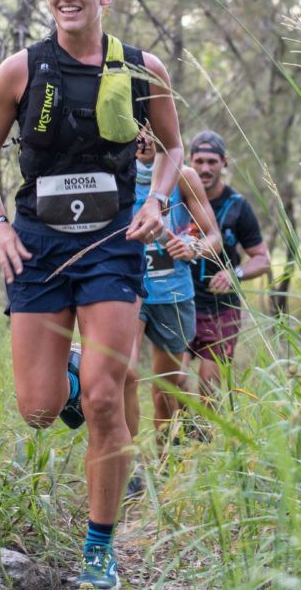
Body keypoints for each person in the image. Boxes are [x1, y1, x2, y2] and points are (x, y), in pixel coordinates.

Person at [0, 0, 182, 590]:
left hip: (114, 243)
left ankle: (100, 553)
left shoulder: (143, 69)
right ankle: (78, 365)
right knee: (37, 409)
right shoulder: (22, 71)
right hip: (37, 244)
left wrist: (160, 204)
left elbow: (170, 151)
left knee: (106, 403)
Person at [123, 129, 222, 453]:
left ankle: (165, 462)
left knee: (167, 389)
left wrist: (193, 247)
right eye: (137, 129)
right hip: (128, 289)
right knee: (126, 372)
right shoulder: (114, 168)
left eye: (150, 129)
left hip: (173, 293)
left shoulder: (185, 176)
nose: (144, 137)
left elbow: (213, 237)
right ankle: (129, 462)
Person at [185, 130, 271, 404]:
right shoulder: (177, 199)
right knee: (171, 379)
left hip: (221, 309)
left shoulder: (238, 206)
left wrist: (236, 274)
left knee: (209, 383)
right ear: (189, 161)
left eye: (212, 161)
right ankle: (175, 434)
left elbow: (262, 258)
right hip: (180, 304)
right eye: (199, 161)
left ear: (225, 162)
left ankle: (204, 440)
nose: (205, 168)